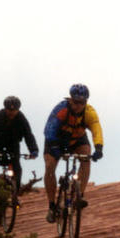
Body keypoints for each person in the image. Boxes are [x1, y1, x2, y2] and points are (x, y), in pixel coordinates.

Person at [43, 83, 104, 222]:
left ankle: (79, 196)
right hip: (56, 140)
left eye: (82, 103)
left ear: (86, 102)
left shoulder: (89, 112)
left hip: (77, 139)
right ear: (70, 100)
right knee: (50, 166)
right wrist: (55, 149)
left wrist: (99, 148)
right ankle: (52, 206)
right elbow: (49, 130)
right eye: (76, 102)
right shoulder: (61, 109)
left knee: (86, 159)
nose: (78, 106)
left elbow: (96, 130)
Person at [0, 96, 39, 197]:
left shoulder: (21, 119)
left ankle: (16, 194)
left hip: (13, 145)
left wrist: (33, 150)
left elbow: (28, 135)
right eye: (9, 110)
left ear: (18, 110)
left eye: (14, 110)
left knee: (17, 168)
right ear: (5, 109)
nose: (12, 112)